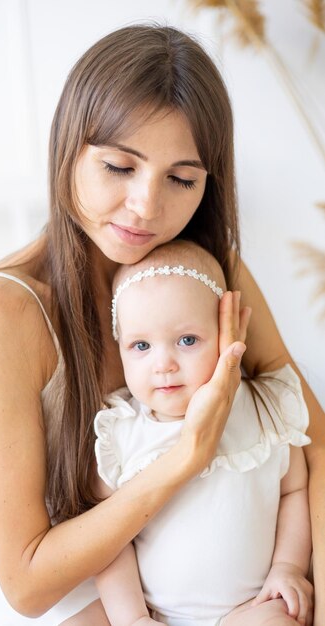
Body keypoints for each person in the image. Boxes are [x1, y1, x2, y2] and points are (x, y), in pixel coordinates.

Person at [0, 24, 325, 626]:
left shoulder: (208, 270)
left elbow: (314, 440)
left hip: (225, 574)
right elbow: (27, 582)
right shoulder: (3, 310)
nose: (147, 206)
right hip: (87, 574)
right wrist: (187, 456)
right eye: (119, 167)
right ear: (68, 148)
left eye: (181, 179)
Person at [61, 239, 312, 626]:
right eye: (141, 345)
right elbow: (108, 544)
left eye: (187, 340)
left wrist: (289, 567)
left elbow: (296, 490)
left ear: (226, 333)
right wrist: (132, 619)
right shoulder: (120, 434)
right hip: (151, 610)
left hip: (247, 609)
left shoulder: (263, 412)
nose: (164, 364)